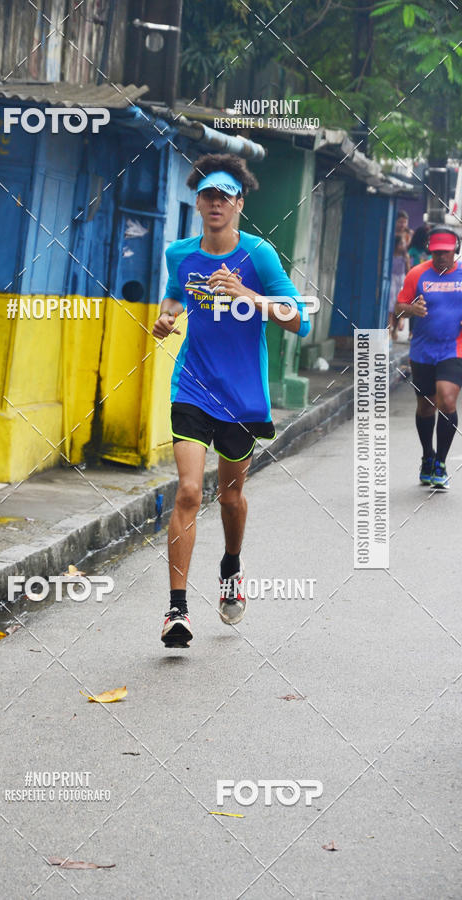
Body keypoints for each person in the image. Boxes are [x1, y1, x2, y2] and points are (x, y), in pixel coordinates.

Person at [151, 153, 311, 647]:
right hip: (193, 386)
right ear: (197, 203)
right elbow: (177, 293)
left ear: (240, 203)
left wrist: (249, 294)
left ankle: (231, 568)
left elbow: (298, 317)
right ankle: (176, 612)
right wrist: (167, 315)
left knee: (231, 497)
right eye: (208, 195)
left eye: (225, 195)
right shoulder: (180, 253)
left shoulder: (258, 255)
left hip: (242, 397)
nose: (216, 203)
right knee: (188, 493)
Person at [394, 226, 462, 489]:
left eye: (445, 252)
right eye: (436, 253)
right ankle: (427, 456)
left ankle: (441, 463)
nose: (441, 257)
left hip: (453, 348)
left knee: (446, 398)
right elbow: (399, 308)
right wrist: (411, 309)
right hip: (422, 349)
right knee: (426, 406)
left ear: (455, 249)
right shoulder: (417, 273)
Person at [389, 235, 410, 341]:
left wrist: (406, 261)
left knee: (398, 305)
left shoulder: (405, 256)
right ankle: (389, 329)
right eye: (401, 243)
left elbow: (408, 270)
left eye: (403, 243)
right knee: (390, 306)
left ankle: (395, 329)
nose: (403, 245)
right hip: (391, 280)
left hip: (401, 280)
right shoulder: (390, 255)